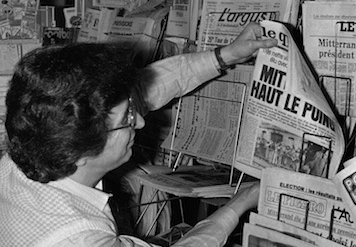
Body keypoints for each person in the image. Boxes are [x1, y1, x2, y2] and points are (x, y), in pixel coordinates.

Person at [0, 23, 277, 246]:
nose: (141, 122)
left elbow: (152, 88)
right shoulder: (81, 239)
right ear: (80, 151)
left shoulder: (31, 145)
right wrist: (241, 201)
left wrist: (225, 55)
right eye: (128, 119)